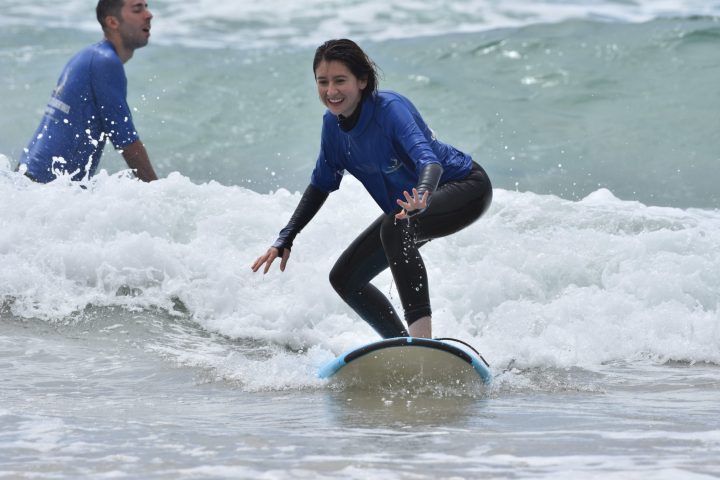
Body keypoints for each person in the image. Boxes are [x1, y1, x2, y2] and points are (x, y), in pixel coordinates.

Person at [252, 39, 492, 339]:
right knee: (344, 278)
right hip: (412, 207)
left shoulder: (390, 109)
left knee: (395, 226)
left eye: (340, 81)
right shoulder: (333, 127)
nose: (331, 91)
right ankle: (403, 347)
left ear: (362, 80)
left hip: (465, 187)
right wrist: (285, 238)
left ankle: (423, 343)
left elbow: (429, 162)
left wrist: (423, 196)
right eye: (322, 82)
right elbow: (320, 186)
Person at [16, 0, 158, 183]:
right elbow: (127, 142)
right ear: (113, 22)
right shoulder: (105, 62)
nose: (148, 14)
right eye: (138, 9)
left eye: (146, 7)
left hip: (28, 182)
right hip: (44, 189)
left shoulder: (88, 56)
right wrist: (160, 195)